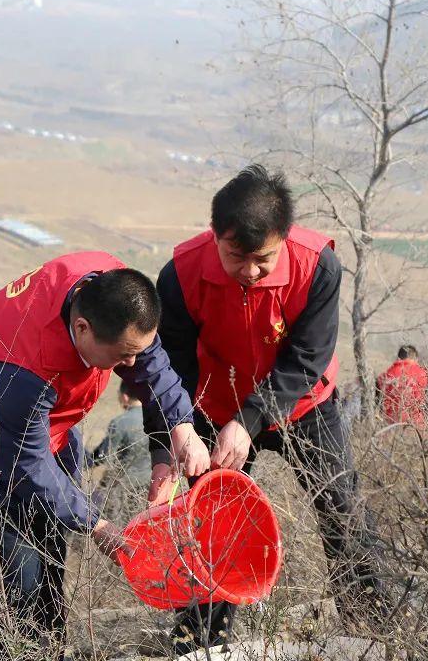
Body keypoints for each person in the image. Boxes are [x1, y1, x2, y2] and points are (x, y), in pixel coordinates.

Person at [143, 164, 384, 654]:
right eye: (237, 257)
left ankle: (371, 627)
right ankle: (203, 641)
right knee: (210, 518)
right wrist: (168, 444)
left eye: (263, 259)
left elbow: (308, 358)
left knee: (342, 509)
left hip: (303, 406)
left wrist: (249, 420)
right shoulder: (181, 274)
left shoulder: (317, 266)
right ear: (215, 237)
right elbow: (168, 369)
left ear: (284, 238)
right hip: (211, 404)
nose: (250, 271)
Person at [0, 253, 206, 661]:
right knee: (15, 581)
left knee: (52, 557)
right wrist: (97, 524)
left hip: (45, 430)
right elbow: (27, 466)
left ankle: (50, 649)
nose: (130, 364)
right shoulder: (20, 366)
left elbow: (150, 359)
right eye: (122, 355)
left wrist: (180, 426)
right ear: (82, 328)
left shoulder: (112, 291)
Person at [90, 381, 150, 521]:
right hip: (152, 484)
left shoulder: (120, 422)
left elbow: (104, 456)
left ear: (124, 397)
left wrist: (87, 461)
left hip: (124, 487)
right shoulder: (155, 418)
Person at [376, 345, 428, 428]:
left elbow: (377, 399)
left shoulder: (386, 376)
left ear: (398, 357)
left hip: (391, 425)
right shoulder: (423, 374)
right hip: (416, 425)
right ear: (415, 358)